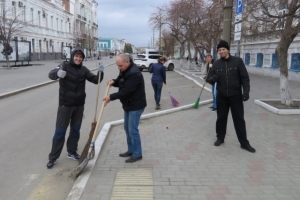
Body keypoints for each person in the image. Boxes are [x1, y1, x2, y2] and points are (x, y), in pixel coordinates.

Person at [46, 47, 104, 169]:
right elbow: (51, 74)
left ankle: (71, 152)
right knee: (60, 132)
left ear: (82, 58)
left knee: (75, 130)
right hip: (65, 105)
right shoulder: (64, 66)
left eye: (80, 57)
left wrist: (100, 73)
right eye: (76, 56)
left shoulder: (83, 70)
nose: (78, 58)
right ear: (72, 56)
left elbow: (95, 80)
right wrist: (57, 74)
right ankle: (53, 157)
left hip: (79, 105)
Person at [207, 40, 255, 153]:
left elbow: (244, 78)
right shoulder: (216, 64)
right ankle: (220, 138)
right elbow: (208, 78)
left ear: (228, 49)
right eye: (219, 50)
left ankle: (244, 143)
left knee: (239, 119)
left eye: (223, 49)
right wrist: (213, 79)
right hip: (222, 96)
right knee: (221, 118)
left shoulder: (237, 61)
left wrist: (246, 92)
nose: (221, 51)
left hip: (236, 96)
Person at [103, 53, 146, 163]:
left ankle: (137, 154)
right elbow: (120, 81)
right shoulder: (125, 70)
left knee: (133, 130)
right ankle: (131, 150)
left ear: (127, 62)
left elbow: (126, 91)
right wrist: (113, 81)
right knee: (127, 128)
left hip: (136, 105)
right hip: (128, 104)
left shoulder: (134, 73)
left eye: (120, 66)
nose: (119, 68)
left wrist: (110, 97)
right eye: (118, 66)